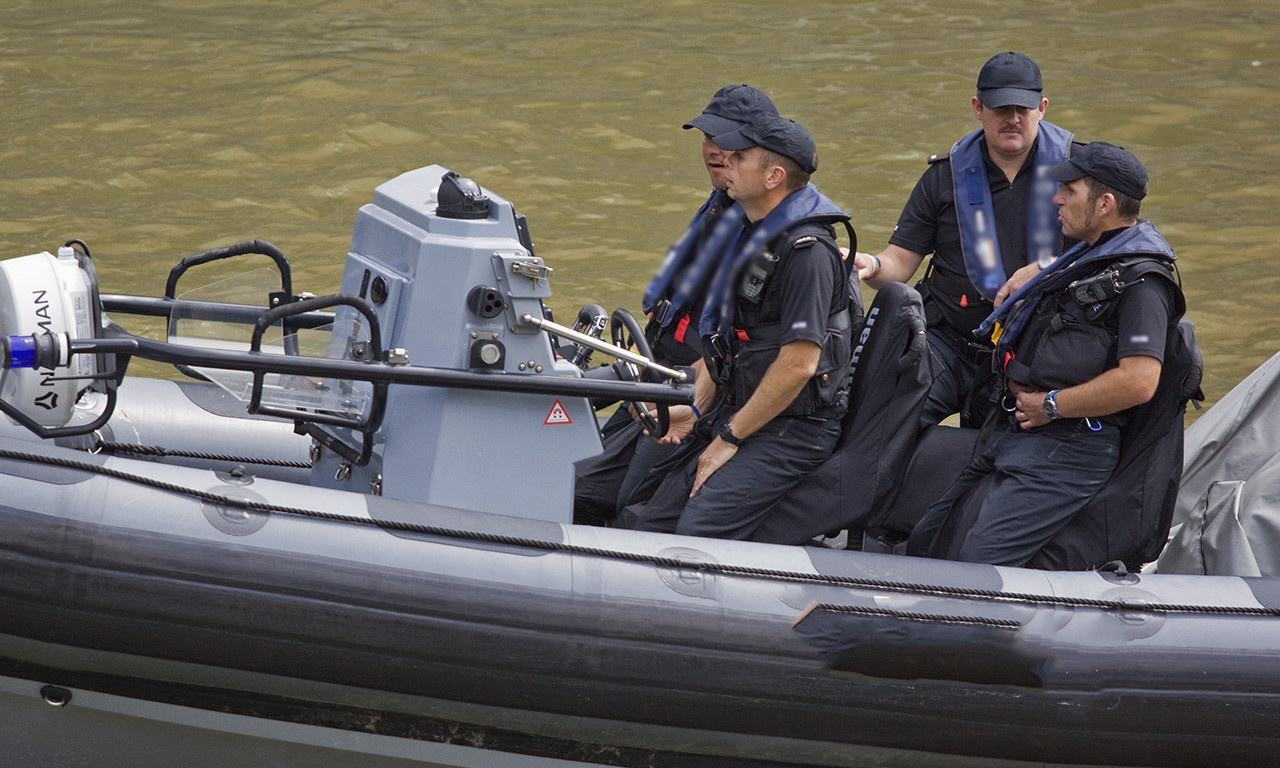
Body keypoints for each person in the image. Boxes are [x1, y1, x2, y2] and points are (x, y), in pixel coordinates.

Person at [906, 141, 1185, 567]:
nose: (1056, 198)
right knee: (930, 539)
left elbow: (1139, 381)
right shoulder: (1085, 258)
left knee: (976, 565)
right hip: (1017, 435)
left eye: (1069, 190)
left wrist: (1052, 405)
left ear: (1105, 204)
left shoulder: (1142, 283)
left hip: (1070, 449)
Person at [622, 114, 855, 540]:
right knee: (646, 521)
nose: (725, 160)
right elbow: (732, 345)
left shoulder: (808, 254)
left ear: (773, 177)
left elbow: (799, 365)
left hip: (794, 431)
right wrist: (695, 410)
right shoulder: (754, 235)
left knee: (696, 531)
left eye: (740, 156)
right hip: (743, 412)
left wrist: (728, 438)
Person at [572, 85, 777, 525]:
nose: (714, 150)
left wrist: (692, 399)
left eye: (729, 142)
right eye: (708, 137)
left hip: (693, 392)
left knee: (631, 506)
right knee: (577, 482)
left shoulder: (767, 230)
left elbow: (750, 344)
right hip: (656, 371)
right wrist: (640, 365)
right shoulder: (721, 206)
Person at [853, 52, 1074, 428]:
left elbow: (1116, 250)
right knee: (880, 426)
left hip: (1037, 348)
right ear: (978, 108)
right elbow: (899, 262)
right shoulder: (942, 177)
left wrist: (1045, 268)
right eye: (1000, 108)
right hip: (948, 342)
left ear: (1042, 108)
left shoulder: (1080, 174)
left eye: (1022, 108)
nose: (1012, 118)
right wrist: (870, 264)